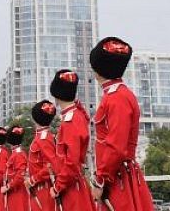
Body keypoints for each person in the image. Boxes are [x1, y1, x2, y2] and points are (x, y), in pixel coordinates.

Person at [88, 37, 153, 211]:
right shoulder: (117, 94)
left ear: (99, 68)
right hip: (116, 175)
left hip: (117, 178)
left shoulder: (117, 98)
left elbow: (116, 147)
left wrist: (99, 180)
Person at [49, 69, 92, 211]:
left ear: (56, 95)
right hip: (73, 185)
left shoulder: (71, 120)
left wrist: (57, 187)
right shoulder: (76, 115)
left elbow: (71, 162)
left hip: (71, 189)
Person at [26, 101, 57, 211]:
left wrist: (32, 180)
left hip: (43, 189)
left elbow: (50, 166)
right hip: (38, 189)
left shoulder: (44, 138)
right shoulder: (40, 136)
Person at [3, 126, 29, 211]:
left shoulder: (19, 154)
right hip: (13, 193)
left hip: (18, 193)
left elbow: (20, 176)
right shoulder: (15, 153)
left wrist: (8, 186)